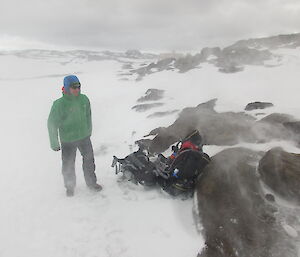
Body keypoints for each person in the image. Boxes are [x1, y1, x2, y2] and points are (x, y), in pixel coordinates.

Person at [47, 75, 102, 197]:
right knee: (68, 164)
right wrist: (54, 142)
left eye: (78, 86)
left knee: (89, 160)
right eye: (74, 87)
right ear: (66, 88)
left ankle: (92, 183)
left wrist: (89, 130)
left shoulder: (84, 99)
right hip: (68, 139)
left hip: (84, 137)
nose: (77, 89)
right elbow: (52, 124)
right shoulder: (59, 104)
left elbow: (88, 116)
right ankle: (70, 186)